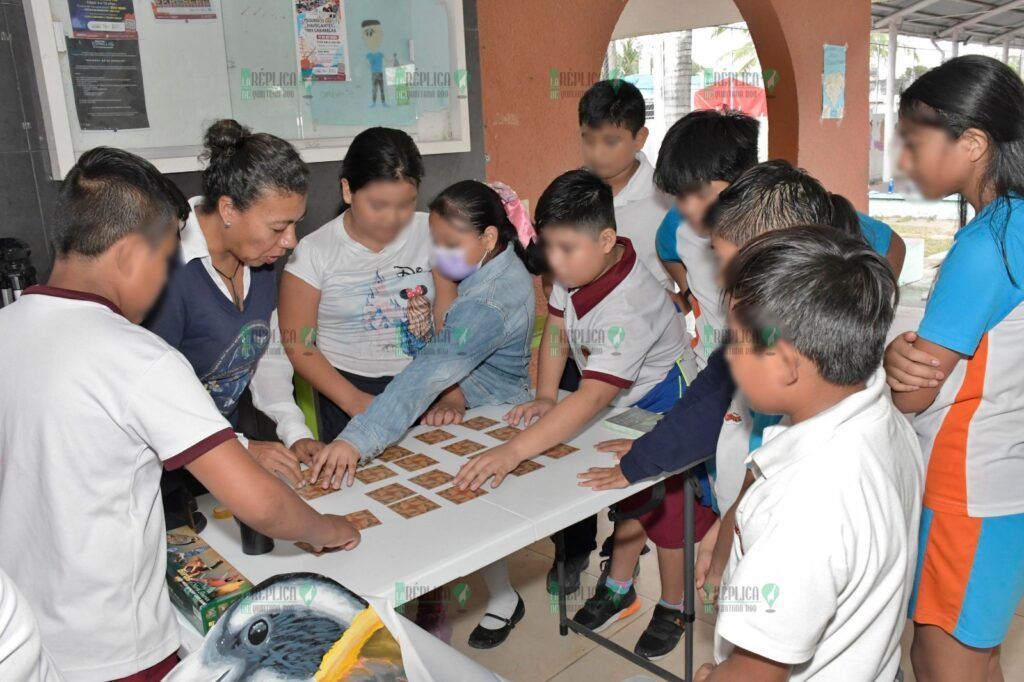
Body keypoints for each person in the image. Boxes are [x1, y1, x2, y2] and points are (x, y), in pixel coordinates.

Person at [0, 148, 359, 681]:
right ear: (128, 254)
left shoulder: (9, 326)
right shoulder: (138, 357)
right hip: (115, 646)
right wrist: (329, 529)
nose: (170, 277)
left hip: (25, 632)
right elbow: (261, 504)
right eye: (167, 258)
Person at [311, 179, 544, 649]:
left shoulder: (488, 301)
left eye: (449, 244)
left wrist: (357, 438)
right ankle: (489, 596)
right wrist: (452, 392)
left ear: (489, 239)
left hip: (492, 417)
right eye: (434, 241)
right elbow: (447, 361)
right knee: (467, 513)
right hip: (469, 406)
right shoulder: (493, 268)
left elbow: (429, 372)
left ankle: (496, 598)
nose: (439, 254)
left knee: (471, 511)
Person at [694, 226, 922, 682]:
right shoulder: (875, 413)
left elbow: (757, 672)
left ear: (782, 362)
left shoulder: (806, 509)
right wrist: (726, 546)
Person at [881, 55, 1024, 682]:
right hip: (1003, 475)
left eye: (915, 143)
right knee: (968, 652)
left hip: (965, 481)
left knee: (944, 660)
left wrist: (892, 356)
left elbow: (913, 395)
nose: (904, 163)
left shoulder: (987, 243)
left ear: (972, 143)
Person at [146, 119, 319, 528]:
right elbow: (154, 397)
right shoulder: (162, 269)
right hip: (156, 475)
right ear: (228, 209)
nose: (291, 240)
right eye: (279, 227)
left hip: (217, 465)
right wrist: (242, 448)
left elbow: (265, 352)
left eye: (296, 224)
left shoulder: (260, 258)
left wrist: (295, 431)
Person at [549, 78, 683, 595]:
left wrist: (678, 298)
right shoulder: (578, 190)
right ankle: (575, 551)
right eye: (589, 139)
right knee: (576, 453)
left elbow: (679, 262)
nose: (598, 153)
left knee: (640, 475)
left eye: (611, 140)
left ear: (640, 137)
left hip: (641, 353)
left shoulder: (662, 198)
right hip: (586, 344)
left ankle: (624, 560)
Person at [279, 127, 457, 452]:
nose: (393, 218)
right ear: (347, 190)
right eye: (378, 205)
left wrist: (449, 391)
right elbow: (298, 344)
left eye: (406, 204)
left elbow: (447, 316)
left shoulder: (433, 231)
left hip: (423, 382)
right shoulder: (314, 252)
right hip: (347, 391)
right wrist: (354, 401)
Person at [654, 110, 760, 368]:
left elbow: (877, 244)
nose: (688, 207)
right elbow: (664, 248)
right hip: (709, 373)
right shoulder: (678, 224)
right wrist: (689, 291)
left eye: (700, 194)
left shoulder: (782, 218)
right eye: (680, 195)